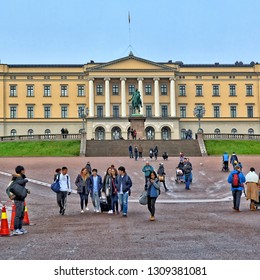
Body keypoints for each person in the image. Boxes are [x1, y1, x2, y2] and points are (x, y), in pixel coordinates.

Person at [11, 165, 30, 235]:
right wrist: (25, 180)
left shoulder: (20, 177)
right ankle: (16, 229)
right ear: (21, 171)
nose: (24, 171)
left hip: (21, 198)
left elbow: (20, 187)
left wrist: (26, 190)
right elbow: (17, 184)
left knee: (21, 214)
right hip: (18, 199)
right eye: (23, 170)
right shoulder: (17, 178)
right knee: (18, 214)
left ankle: (20, 227)